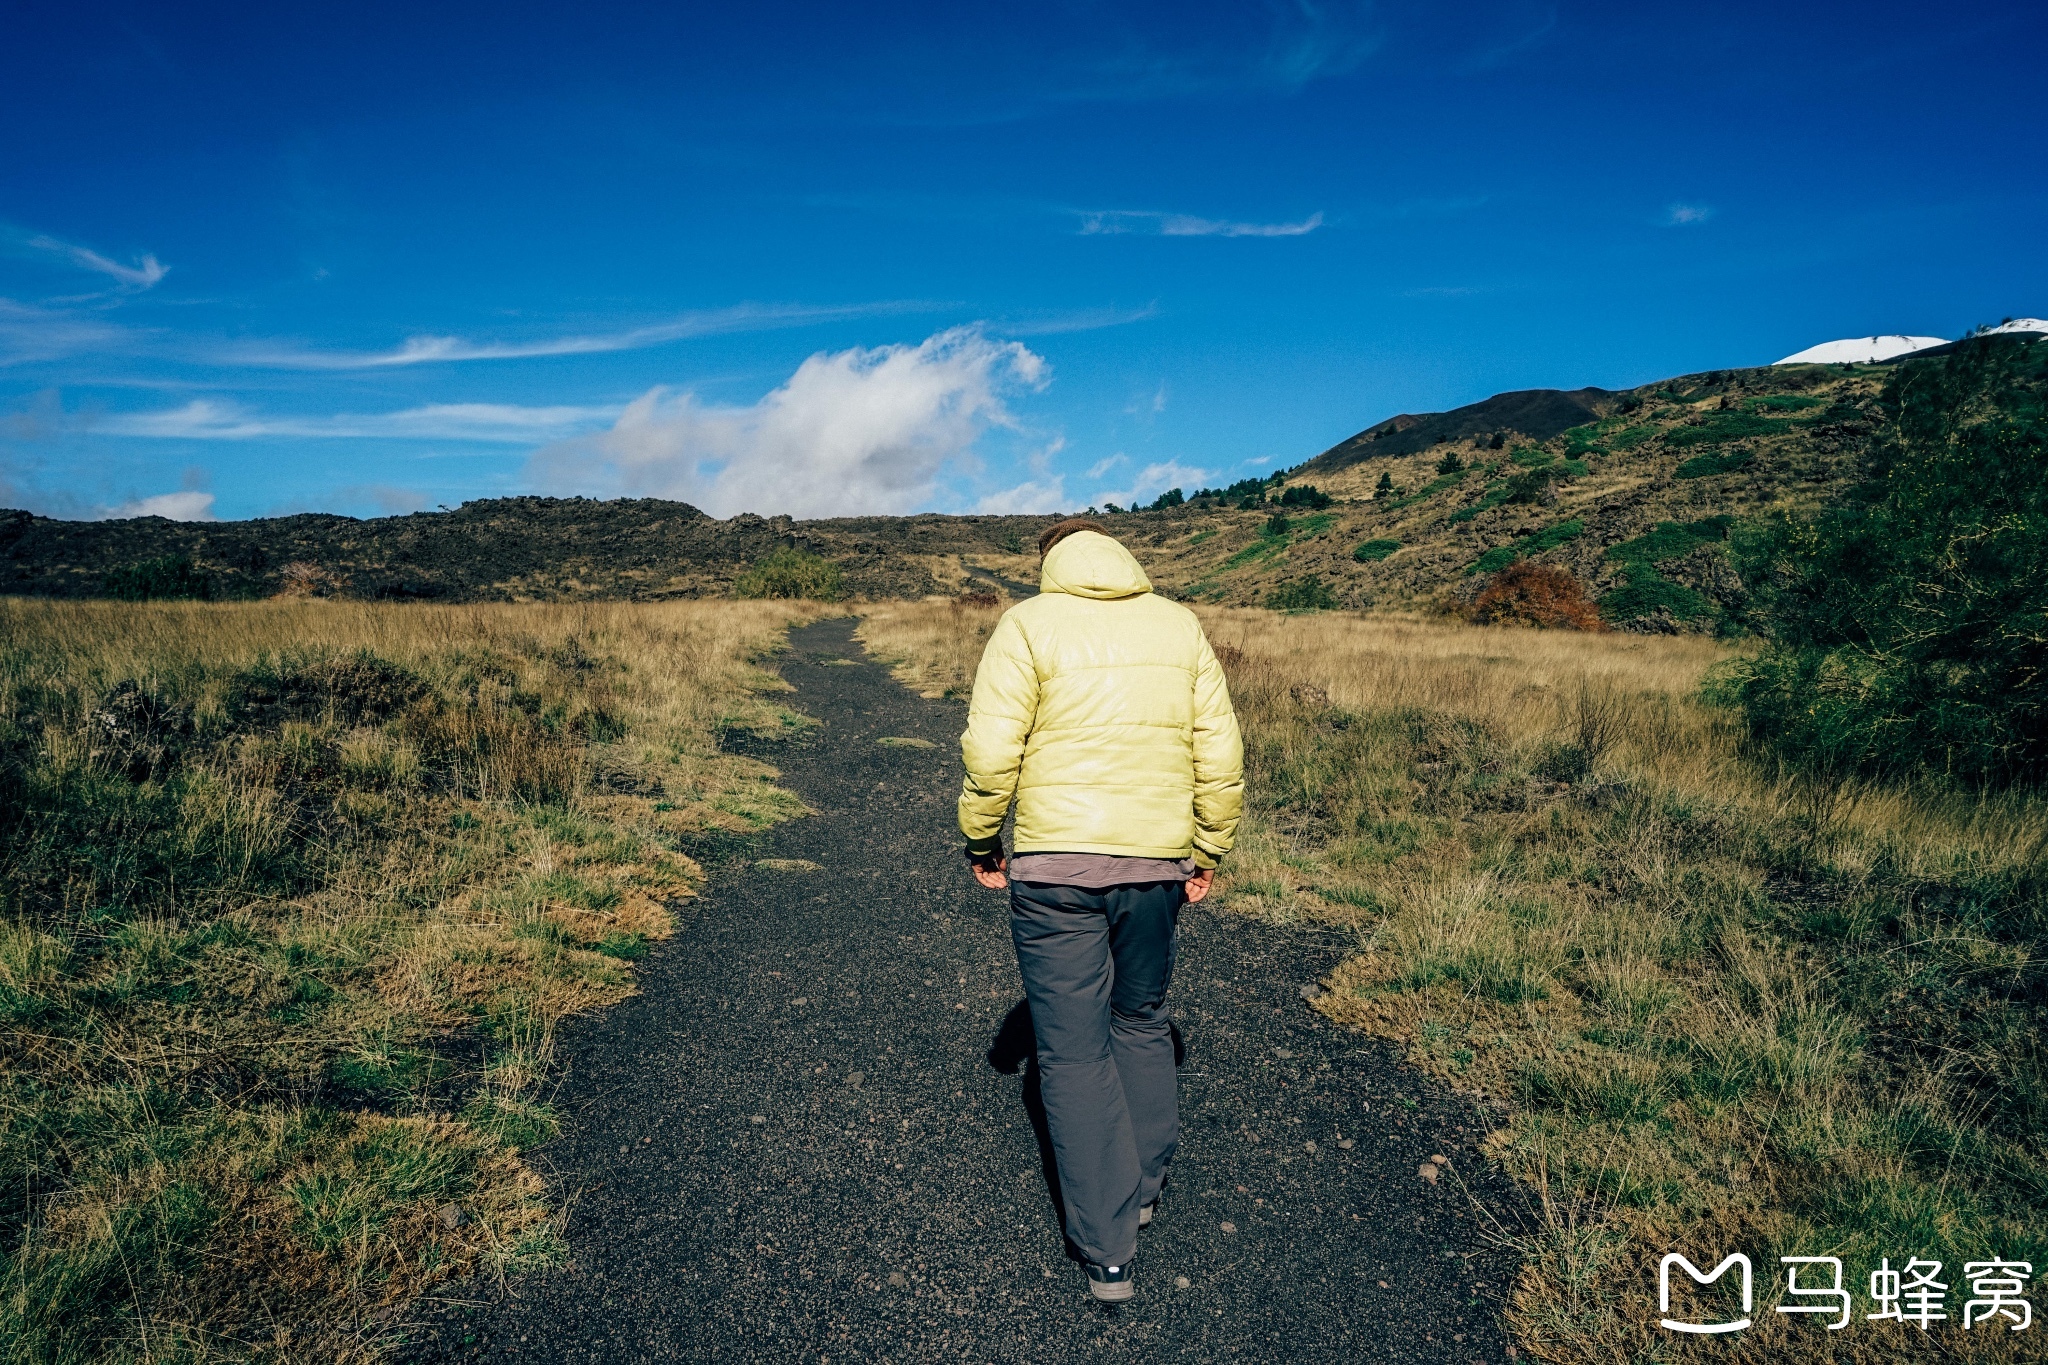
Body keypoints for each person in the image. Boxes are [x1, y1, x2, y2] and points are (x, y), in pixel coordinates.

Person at [958, 518, 1244, 1302]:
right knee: (1142, 1018)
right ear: (1120, 556)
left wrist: (983, 838)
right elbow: (1220, 750)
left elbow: (990, 751)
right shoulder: (1179, 625)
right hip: (1156, 864)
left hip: (1052, 868)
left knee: (1074, 1051)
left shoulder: (1026, 623)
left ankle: (1108, 1250)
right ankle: (1144, 1191)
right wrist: (1208, 849)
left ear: (1049, 562)